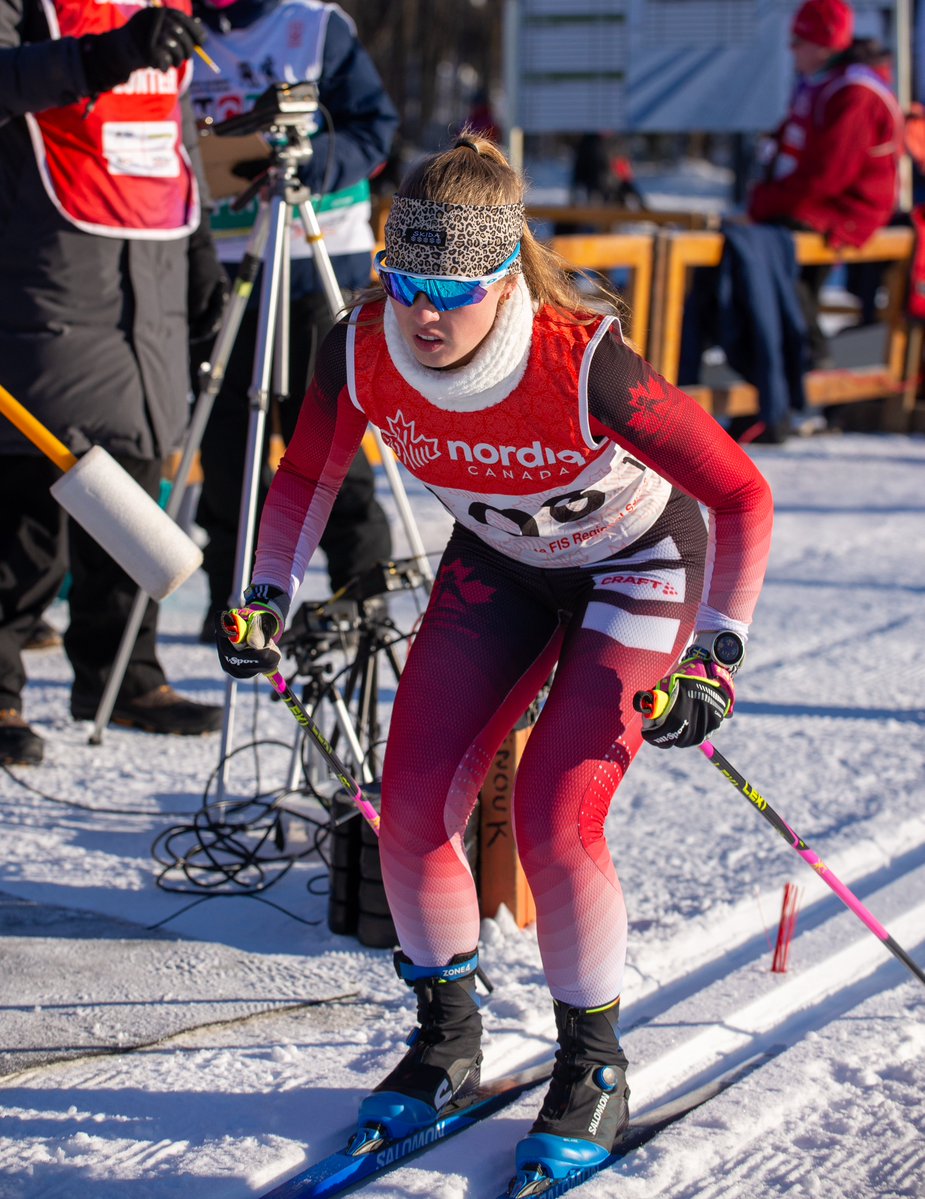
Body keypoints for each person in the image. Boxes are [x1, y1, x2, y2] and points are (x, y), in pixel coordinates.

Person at [214, 132, 774, 1188]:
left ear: (503, 275)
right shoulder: (361, 345)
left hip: (636, 570)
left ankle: (592, 1062)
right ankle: (446, 1034)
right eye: (403, 279)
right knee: (414, 802)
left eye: (451, 289)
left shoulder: (579, 358)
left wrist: (714, 658)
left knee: (557, 816)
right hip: (505, 565)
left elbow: (741, 493)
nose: (423, 312)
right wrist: (264, 594)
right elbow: (303, 481)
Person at [0, 1, 228, 767]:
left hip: (150, 268)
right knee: (30, 496)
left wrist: (201, 259)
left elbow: (173, 134)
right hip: (45, 261)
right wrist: (97, 59)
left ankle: (123, 674)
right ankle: (0, 688)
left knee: (133, 482)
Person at [188, 0, 396, 637]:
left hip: (317, 244)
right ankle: (234, 594)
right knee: (227, 436)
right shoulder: (179, 23)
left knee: (324, 425)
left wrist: (311, 165)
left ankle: (360, 584)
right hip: (225, 252)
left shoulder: (312, 26)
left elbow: (372, 125)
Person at [747, 0, 903, 366]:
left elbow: (828, 178)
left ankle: (809, 365)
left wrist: (764, 204)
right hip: (819, 207)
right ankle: (790, 365)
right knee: (765, 262)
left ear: (822, 44)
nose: (791, 50)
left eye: (798, 41)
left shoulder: (855, 92)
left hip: (846, 212)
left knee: (777, 268)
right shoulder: (827, 84)